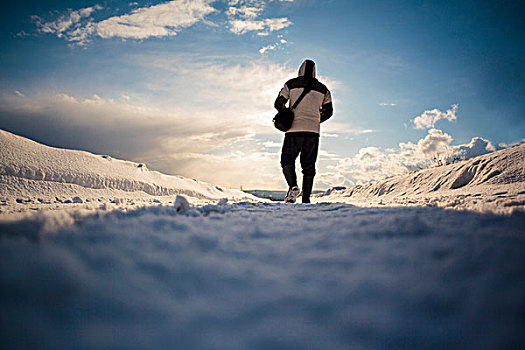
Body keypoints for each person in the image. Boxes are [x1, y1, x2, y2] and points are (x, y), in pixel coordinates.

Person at [274, 59, 333, 203]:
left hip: (293, 130)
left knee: (287, 159)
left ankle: (293, 186)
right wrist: (316, 120)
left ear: (300, 69)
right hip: (313, 131)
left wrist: (287, 114)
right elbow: (329, 111)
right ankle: (306, 199)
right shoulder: (323, 89)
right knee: (309, 165)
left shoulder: (291, 84)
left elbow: (278, 103)